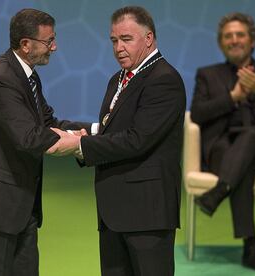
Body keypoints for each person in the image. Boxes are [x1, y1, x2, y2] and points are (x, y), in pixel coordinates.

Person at [49, 6, 186, 276]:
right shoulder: (118, 79)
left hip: (147, 213)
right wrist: (78, 131)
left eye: (126, 39)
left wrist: (78, 146)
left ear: (148, 39)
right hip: (114, 212)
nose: (118, 48)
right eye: (114, 40)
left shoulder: (164, 80)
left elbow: (137, 139)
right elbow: (115, 128)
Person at [0, 8, 89, 276]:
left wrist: (95, 130)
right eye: (48, 41)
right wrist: (78, 145)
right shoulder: (1, 79)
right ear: (26, 45)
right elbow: (30, 137)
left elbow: (48, 122)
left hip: (21, 204)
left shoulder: (26, 75)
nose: (55, 46)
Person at [190, 12, 255, 273]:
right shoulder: (207, 75)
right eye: (228, 36)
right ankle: (251, 248)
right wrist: (234, 96)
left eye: (240, 35)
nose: (234, 40)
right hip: (222, 148)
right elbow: (197, 113)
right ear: (220, 43)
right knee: (241, 162)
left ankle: (219, 192)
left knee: (249, 139)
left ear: (252, 41)